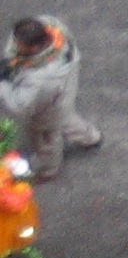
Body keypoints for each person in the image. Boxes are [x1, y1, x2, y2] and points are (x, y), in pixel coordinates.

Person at [0, 17, 100, 182]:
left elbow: (19, 105)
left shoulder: (42, 79)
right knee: (65, 117)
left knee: (47, 139)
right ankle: (91, 137)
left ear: (35, 47)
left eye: (19, 45)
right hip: (63, 92)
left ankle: (47, 169)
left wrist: (3, 83)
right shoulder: (52, 26)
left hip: (47, 109)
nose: (15, 46)